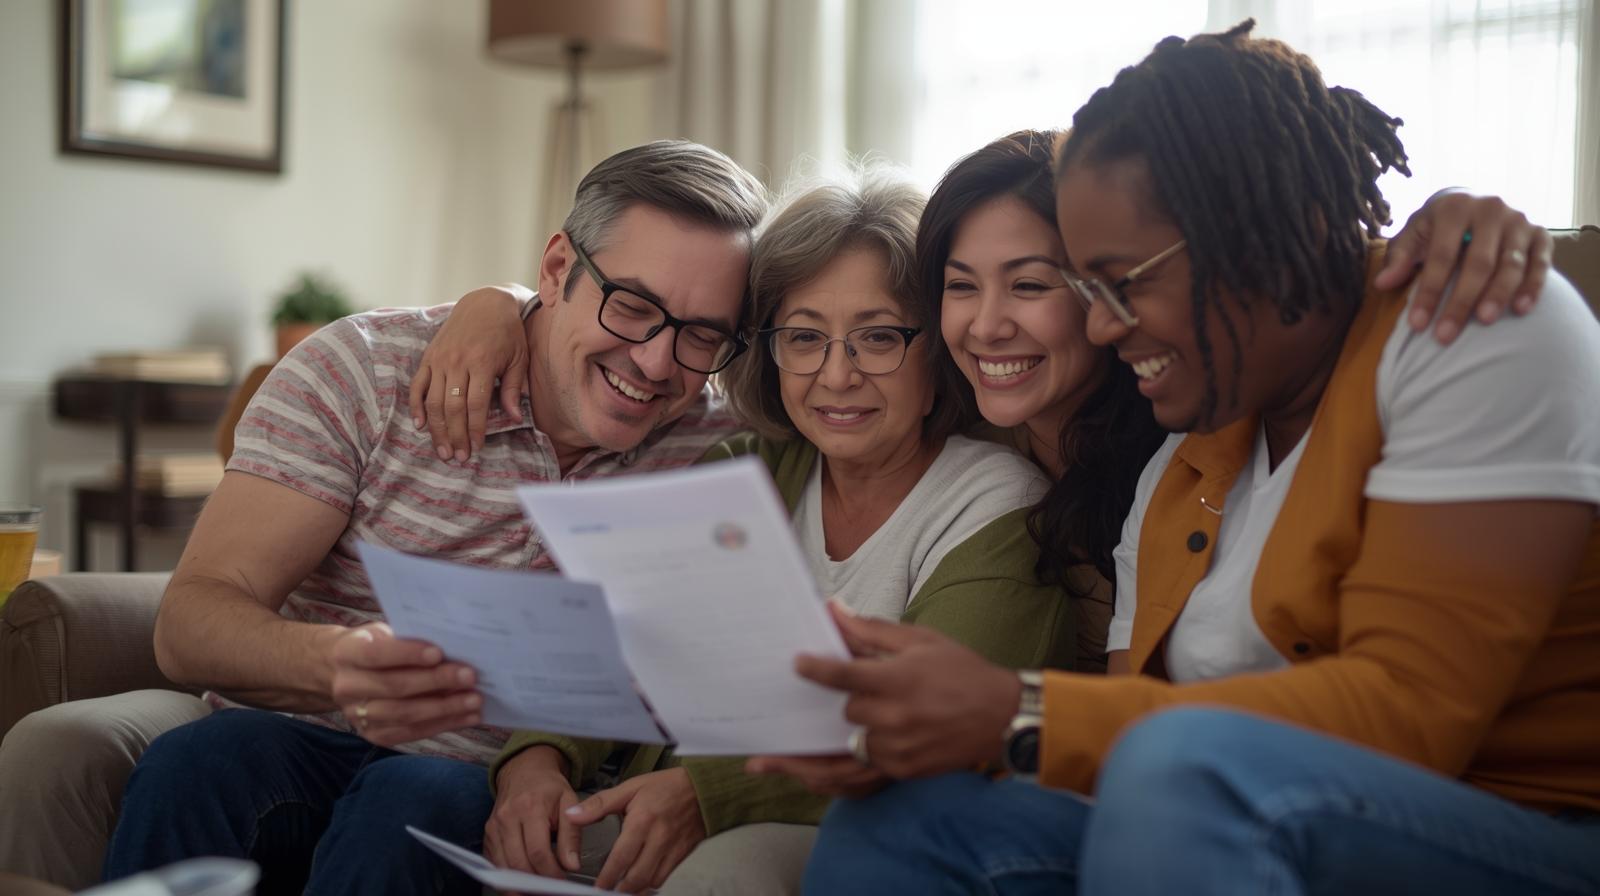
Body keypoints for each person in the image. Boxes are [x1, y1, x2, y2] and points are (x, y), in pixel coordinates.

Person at [781, 23, 1600, 894]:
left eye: (1121, 284)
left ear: (1275, 233)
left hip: (1528, 830)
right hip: (1227, 822)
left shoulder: (1467, 324)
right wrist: (924, 737)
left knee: (1183, 766)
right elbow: (1126, 740)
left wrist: (1015, 716)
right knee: (909, 820)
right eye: (1086, 290)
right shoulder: (1186, 453)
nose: (1101, 326)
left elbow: (1408, 715)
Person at [81, 140, 766, 896]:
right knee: (202, 758)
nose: (659, 362)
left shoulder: (724, 445)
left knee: (423, 797)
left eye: (703, 334)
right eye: (632, 306)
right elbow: (188, 624)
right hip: (298, 737)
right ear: (556, 268)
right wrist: (333, 664)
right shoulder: (364, 371)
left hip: (496, 784)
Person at [476, 166, 1082, 895]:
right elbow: (616, 643)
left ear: (938, 349)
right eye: (804, 337)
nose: (835, 376)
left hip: (846, 826)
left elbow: (929, 740)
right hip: (662, 802)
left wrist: (708, 793)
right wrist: (537, 760)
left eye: (878, 337)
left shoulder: (997, 504)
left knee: (722, 875)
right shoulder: (746, 465)